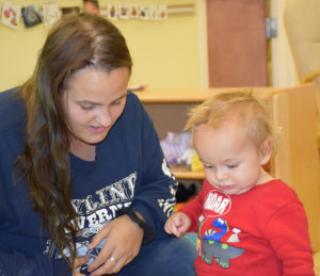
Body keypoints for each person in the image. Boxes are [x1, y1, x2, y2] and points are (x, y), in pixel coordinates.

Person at [0, 14, 197, 276]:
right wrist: (51, 269)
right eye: (87, 106)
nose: (105, 119)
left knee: (182, 259)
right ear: (52, 90)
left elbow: (161, 185)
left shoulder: (132, 113)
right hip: (39, 269)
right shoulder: (7, 132)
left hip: (121, 261)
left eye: (116, 101)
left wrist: (138, 221)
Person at [165, 91, 315, 276]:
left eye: (231, 165)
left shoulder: (279, 204)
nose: (219, 176)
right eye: (208, 166)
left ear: (263, 151)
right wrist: (187, 217)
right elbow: (201, 204)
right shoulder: (217, 186)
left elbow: (298, 263)